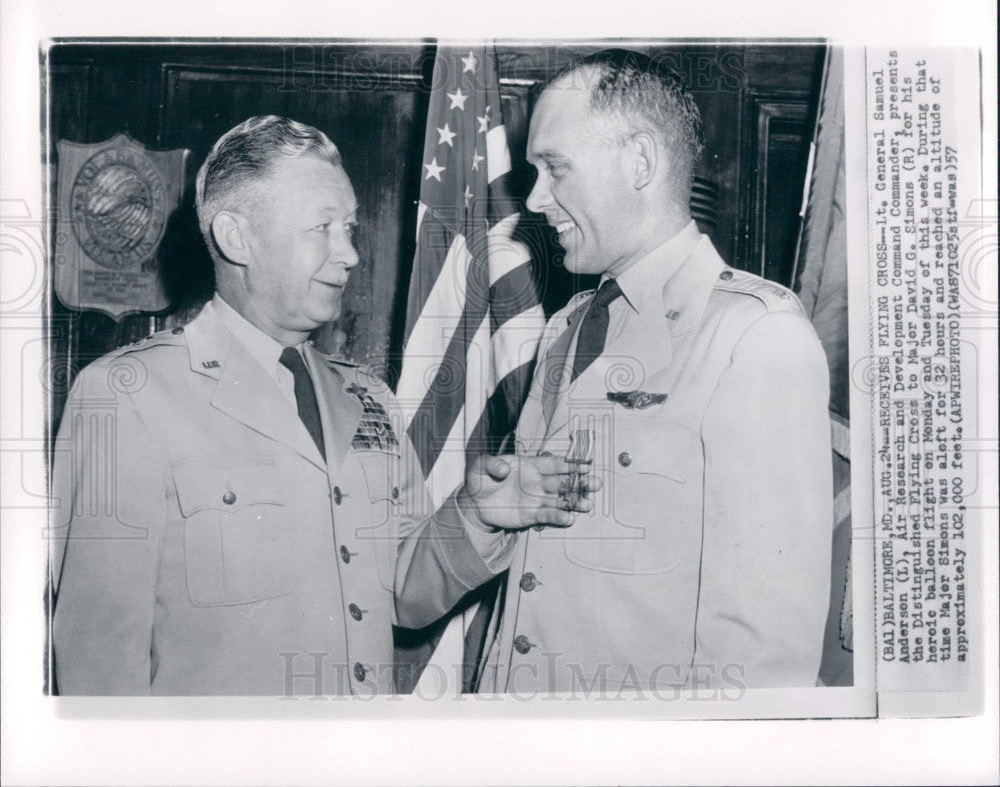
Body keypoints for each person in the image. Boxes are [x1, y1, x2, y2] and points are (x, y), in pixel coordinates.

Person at [50, 115, 594, 696]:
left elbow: (401, 594)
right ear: (238, 238)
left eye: (351, 228)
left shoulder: (367, 398)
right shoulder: (127, 394)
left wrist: (475, 515)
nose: (351, 254)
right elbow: (98, 661)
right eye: (323, 227)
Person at [396, 50, 833, 693]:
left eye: (554, 169)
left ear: (640, 162)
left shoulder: (753, 335)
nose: (536, 200)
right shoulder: (566, 328)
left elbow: (764, 660)